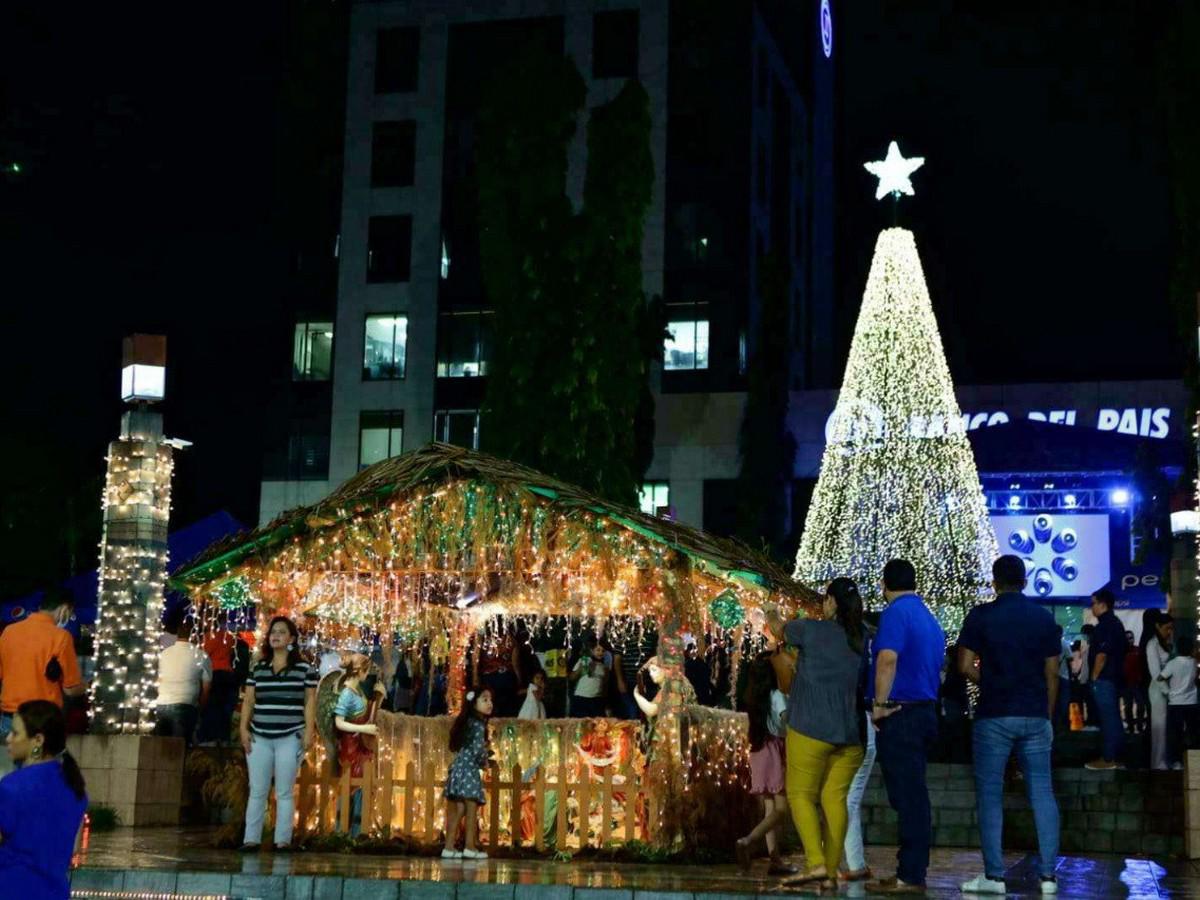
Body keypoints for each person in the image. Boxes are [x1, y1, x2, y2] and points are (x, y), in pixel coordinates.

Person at [957, 555, 1062, 896]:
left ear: (994, 581)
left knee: (990, 795)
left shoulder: (981, 616)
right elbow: (1052, 674)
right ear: (1025, 581)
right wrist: (1045, 712)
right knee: (1043, 794)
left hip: (994, 714)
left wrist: (986, 681)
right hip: (1035, 714)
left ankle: (994, 877)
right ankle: (1048, 877)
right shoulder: (1044, 619)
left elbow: (963, 664)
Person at [766, 576, 866, 890]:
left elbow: (779, 630)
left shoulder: (810, 629)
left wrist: (770, 611)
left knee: (800, 795)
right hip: (851, 734)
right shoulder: (863, 637)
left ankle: (816, 864)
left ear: (832, 602)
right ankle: (831, 874)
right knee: (834, 800)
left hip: (810, 727)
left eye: (826, 599)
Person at [868, 559, 945, 895]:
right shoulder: (929, 618)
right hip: (924, 711)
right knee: (912, 793)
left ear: (885, 585)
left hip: (902, 712)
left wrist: (880, 705)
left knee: (908, 796)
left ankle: (910, 874)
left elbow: (887, 658)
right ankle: (909, 870)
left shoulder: (896, 613)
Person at [239, 616, 318, 851]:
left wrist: (308, 731)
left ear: (291, 638)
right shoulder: (258, 668)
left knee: (284, 791)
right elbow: (249, 701)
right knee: (257, 790)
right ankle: (250, 840)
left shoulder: (304, 669)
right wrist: (243, 728)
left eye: (282, 632)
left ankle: (282, 841)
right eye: (273, 632)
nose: (276, 636)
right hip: (260, 735)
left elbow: (309, 701)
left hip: (289, 735)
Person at [0, 700, 89, 899]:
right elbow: (72, 850)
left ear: (38, 740)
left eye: (15, 733)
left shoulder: (12, 786)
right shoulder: (75, 787)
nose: (8, 738)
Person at [734, 654, 794, 875]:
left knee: (770, 808)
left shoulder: (752, 697)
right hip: (775, 750)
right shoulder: (777, 695)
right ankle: (748, 840)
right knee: (780, 810)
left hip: (759, 751)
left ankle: (775, 860)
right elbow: (787, 719)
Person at [0, 589, 86, 742]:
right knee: (43, 764)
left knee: (14, 765)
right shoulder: (61, 637)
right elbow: (71, 689)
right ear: (64, 609)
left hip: (10, 718)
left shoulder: (9, 632)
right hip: (42, 719)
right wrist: (91, 686)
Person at [842, 608, 877, 883]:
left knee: (846, 798)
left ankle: (854, 863)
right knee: (846, 798)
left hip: (855, 725)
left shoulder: (849, 649)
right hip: (864, 722)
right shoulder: (870, 646)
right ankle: (851, 861)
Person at [333, 653, 385, 834]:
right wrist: (364, 730)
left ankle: (357, 830)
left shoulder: (359, 691)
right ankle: (343, 831)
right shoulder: (347, 694)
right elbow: (338, 722)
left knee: (362, 786)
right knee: (351, 786)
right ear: (360, 671)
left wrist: (379, 698)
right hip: (351, 746)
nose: (367, 674)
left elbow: (366, 717)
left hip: (361, 746)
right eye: (367, 670)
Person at [443, 687, 494, 860]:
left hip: (458, 768)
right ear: (474, 703)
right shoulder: (478, 724)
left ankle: (449, 847)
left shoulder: (467, 722)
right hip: (469, 770)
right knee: (471, 809)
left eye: (490, 700)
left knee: (459, 809)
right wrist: (485, 762)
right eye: (485, 700)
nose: (489, 703)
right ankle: (469, 846)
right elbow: (478, 749)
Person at [1085, 589, 1128, 770]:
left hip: (1104, 679)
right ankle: (1116, 757)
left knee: (1108, 718)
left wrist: (1094, 677)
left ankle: (1109, 758)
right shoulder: (1115, 623)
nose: (1091, 607)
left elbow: (1101, 655)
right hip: (1113, 678)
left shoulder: (1106, 625)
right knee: (1113, 717)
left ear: (1103, 604)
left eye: (1093, 603)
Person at [155, 612, 212, 747]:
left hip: (161, 704)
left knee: (160, 748)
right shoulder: (201, 656)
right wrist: (201, 709)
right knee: (179, 749)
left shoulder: (164, 653)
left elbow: (157, 680)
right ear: (195, 635)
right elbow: (206, 688)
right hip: (185, 705)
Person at [198, 612, 240, 744]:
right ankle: (223, 738)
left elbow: (203, 657)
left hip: (214, 674)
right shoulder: (229, 637)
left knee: (212, 708)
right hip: (228, 674)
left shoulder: (209, 637)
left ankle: (210, 738)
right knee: (224, 710)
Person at [1159, 633, 1199, 770]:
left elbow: (1160, 678)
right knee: (1193, 732)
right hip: (1192, 702)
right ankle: (1193, 760)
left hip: (1175, 703)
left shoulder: (1173, 663)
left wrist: (1167, 692)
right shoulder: (1193, 662)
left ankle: (1176, 762)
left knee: (1175, 733)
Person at [473, 622, 522, 718]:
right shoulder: (510, 638)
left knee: (490, 708)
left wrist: (475, 676)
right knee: (508, 709)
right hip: (506, 678)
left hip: (488, 678)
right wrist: (519, 680)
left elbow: (475, 657)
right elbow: (515, 663)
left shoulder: (482, 637)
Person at [1145, 613, 1174, 771]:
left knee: (1165, 726)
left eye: (1171, 628)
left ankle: (1163, 760)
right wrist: (1167, 691)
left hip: (1167, 689)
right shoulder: (1152, 645)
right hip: (1158, 689)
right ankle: (1158, 762)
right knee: (1159, 726)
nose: (1169, 631)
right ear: (1157, 626)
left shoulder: (1165, 643)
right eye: (1167, 628)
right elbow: (1156, 673)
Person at [570, 639, 609, 718]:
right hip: (581, 698)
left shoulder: (605, 666)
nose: (600, 653)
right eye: (598, 650)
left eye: (603, 651)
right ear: (592, 650)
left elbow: (605, 685)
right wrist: (580, 669)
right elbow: (571, 677)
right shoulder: (584, 661)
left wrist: (605, 703)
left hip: (596, 700)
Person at [1121, 630, 1145, 735]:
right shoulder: (1120, 652)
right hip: (1126, 684)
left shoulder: (1138, 650)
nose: (1129, 640)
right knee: (1128, 706)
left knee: (1140, 705)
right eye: (1127, 638)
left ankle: (1139, 726)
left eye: (1131, 638)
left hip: (1137, 684)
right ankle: (1130, 727)